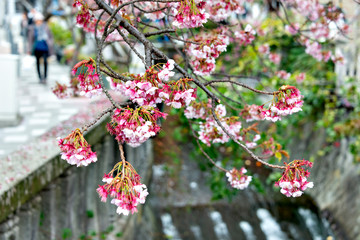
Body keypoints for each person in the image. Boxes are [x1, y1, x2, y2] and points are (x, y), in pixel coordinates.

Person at [28, 12, 54, 84]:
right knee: (37, 63)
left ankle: (45, 77)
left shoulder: (46, 27)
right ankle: (40, 77)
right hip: (36, 47)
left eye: (40, 20)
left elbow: (51, 37)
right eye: (37, 20)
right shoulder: (32, 28)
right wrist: (29, 49)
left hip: (45, 47)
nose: (39, 21)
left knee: (45, 62)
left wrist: (50, 43)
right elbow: (30, 39)